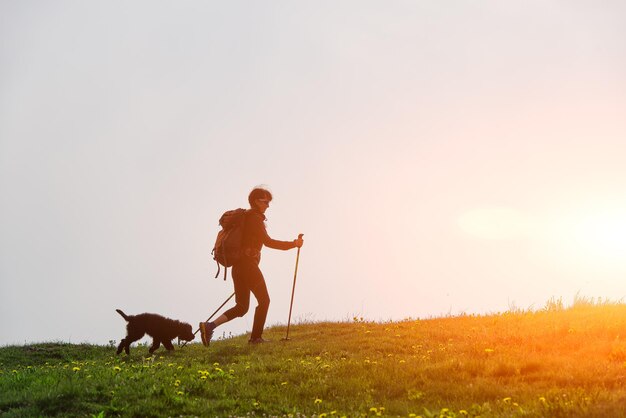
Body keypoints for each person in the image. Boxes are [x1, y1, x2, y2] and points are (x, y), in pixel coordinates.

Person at [200, 187, 304, 345]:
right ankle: (256, 338)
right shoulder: (255, 218)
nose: (268, 205)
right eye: (265, 202)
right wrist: (293, 244)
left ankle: (209, 326)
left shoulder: (247, 218)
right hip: (248, 266)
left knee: (241, 307)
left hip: (238, 267)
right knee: (264, 300)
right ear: (256, 201)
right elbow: (268, 242)